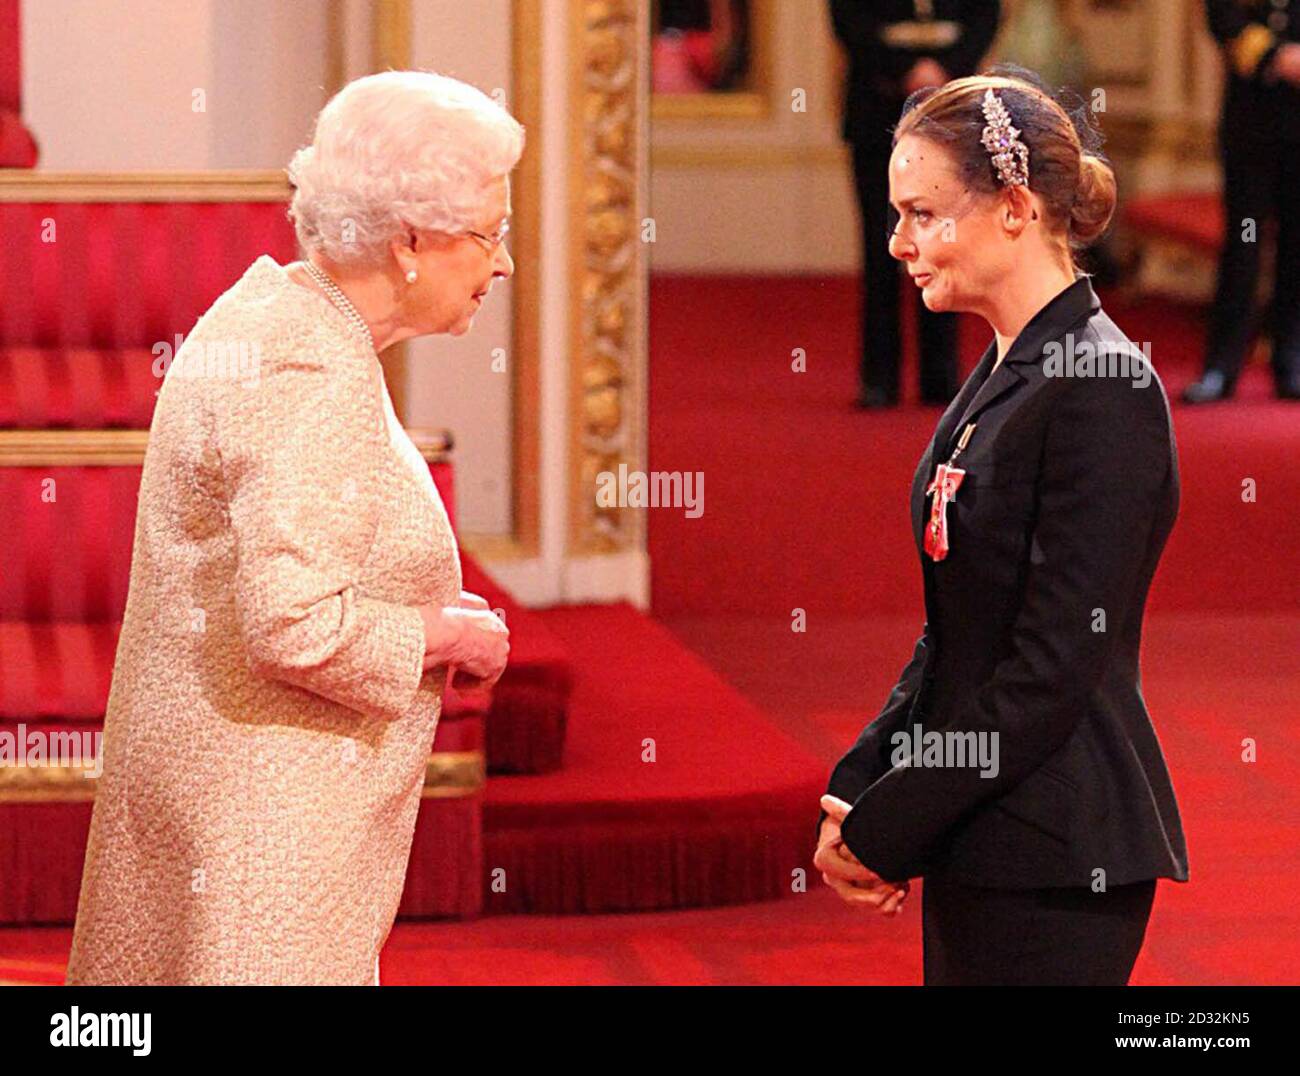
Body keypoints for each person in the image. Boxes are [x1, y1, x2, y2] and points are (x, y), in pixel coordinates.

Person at [64, 71, 519, 986]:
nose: (503, 265)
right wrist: (445, 634)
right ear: (411, 243)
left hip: (239, 828)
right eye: (491, 236)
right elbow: (297, 626)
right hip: (256, 857)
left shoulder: (291, 322)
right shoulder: (303, 364)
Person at [814, 68, 1188, 985]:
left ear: (1015, 207)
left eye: (923, 214)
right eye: (896, 214)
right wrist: (864, 777)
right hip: (987, 829)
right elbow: (957, 635)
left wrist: (890, 823)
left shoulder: (1102, 386)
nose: (899, 241)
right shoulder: (1004, 372)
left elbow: (1052, 668)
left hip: (1060, 851)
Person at [830, 0, 1002, 408]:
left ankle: (941, 376)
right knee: (881, 245)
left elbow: (984, 16)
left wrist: (944, 71)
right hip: (877, 113)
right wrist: (907, 71)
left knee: (945, 245)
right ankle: (879, 379)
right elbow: (848, 21)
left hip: (949, 117)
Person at [1184, 0, 1300, 402]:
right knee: (1243, 244)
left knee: (1296, 247)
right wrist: (1277, 55)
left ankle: (1292, 360)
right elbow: (1223, 15)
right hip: (1250, 122)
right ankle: (1221, 366)